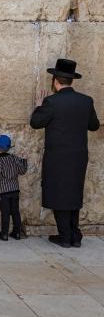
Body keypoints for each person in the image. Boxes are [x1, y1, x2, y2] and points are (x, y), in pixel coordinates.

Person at [30, 59, 100, 248]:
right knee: (73, 193)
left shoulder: (51, 102)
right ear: (71, 80)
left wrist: (38, 106)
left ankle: (65, 236)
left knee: (59, 194)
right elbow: (94, 126)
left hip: (57, 158)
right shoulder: (86, 101)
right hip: (78, 157)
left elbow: (36, 122)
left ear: (55, 81)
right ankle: (75, 236)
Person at [0, 135, 28, 241]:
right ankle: (17, 232)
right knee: (15, 212)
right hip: (15, 189)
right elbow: (22, 171)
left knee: (5, 213)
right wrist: (24, 160)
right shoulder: (14, 158)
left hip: (3, 191)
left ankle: (4, 234)